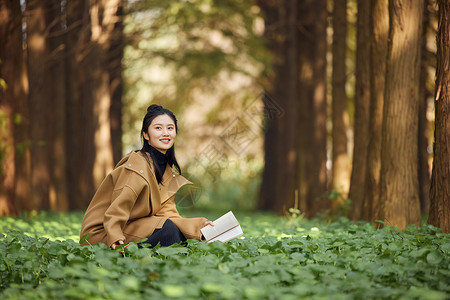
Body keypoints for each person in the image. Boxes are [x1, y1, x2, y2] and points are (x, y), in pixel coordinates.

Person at [80, 104, 213, 249]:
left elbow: (169, 215)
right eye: (158, 128)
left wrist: (201, 227)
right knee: (169, 231)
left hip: (132, 225)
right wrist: (114, 236)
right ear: (145, 134)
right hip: (101, 233)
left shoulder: (168, 171)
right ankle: (129, 254)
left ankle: (138, 253)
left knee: (174, 232)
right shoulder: (137, 167)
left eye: (170, 128)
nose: (165, 133)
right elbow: (118, 208)